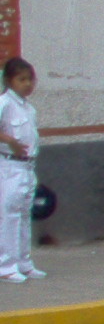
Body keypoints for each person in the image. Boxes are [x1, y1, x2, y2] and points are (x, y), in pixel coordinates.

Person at [0, 56, 43, 282]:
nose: (27, 84)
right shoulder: (4, 103)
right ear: (9, 81)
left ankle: (24, 262)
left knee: (25, 215)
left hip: (27, 167)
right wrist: (9, 141)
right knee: (10, 215)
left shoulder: (28, 108)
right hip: (9, 166)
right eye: (21, 79)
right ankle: (6, 265)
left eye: (30, 80)